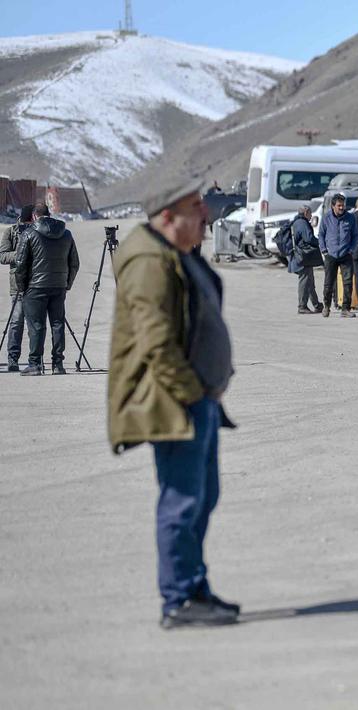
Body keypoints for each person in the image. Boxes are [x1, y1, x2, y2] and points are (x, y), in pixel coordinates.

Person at [108, 179, 239, 628]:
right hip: (175, 402)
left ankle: (195, 587)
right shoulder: (149, 261)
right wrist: (193, 391)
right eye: (195, 206)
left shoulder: (177, 254)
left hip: (199, 400)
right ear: (167, 215)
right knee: (182, 502)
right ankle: (178, 599)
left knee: (203, 498)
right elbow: (156, 343)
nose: (205, 214)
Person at [13, 203, 80, 375]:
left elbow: (20, 264)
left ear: (35, 216)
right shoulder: (66, 234)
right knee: (57, 324)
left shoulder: (28, 234)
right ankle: (58, 364)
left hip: (35, 287)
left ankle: (35, 363)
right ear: (49, 215)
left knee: (36, 325)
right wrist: (67, 284)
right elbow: (74, 263)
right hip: (58, 286)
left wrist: (22, 287)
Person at [1, 204, 34, 371]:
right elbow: (2, 256)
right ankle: (12, 358)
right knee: (16, 323)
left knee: (34, 324)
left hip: (36, 283)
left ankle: (35, 360)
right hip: (17, 284)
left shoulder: (38, 231)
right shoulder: (11, 231)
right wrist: (22, 252)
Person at [318, 193, 358, 318]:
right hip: (330, 255)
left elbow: (355, 235)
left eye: (343, 205)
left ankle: (345, 309)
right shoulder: (326, 218)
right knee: (328, 283)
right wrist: (324, 250)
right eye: (339, 205)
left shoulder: (350, 218)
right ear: (333, 206)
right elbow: (321, 235)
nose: (342, 208)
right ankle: (326, 307)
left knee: (347, 282)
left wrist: (351, 249)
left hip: (345, 254)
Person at [287, 204, 323, 314]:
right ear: (306, 212)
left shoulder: (297, 222)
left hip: (301, 256)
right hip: (303, 257)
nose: (311, 216)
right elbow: (308, 238)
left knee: (310, 281)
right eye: (310, 213)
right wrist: (321, 242)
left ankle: (317, 304)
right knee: (304, 280)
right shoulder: (302, 223)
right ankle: (302, 306)